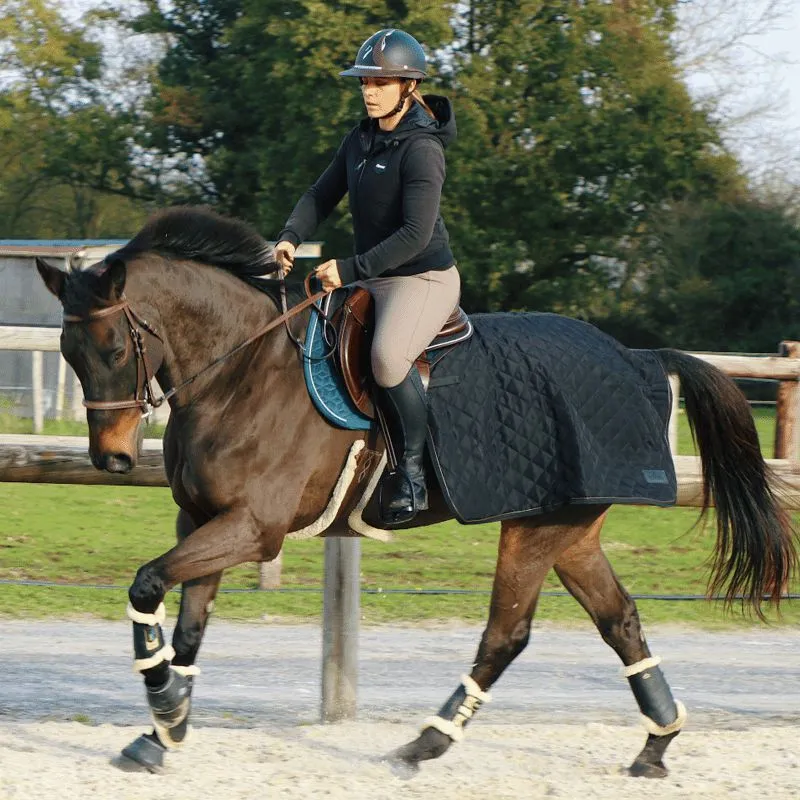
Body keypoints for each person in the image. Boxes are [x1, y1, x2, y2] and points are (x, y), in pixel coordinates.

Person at [274, 28, 460, 525]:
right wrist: (290, 235)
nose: (369, 90)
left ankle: (414, 476)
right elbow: (319, 194)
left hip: (421, 279)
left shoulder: (423, 149)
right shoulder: (359, 139)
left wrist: (351, 269)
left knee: (385, 358)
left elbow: (415, 234)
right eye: (364, 83)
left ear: (409, 86)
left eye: (380, 82)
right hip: (372, 277)